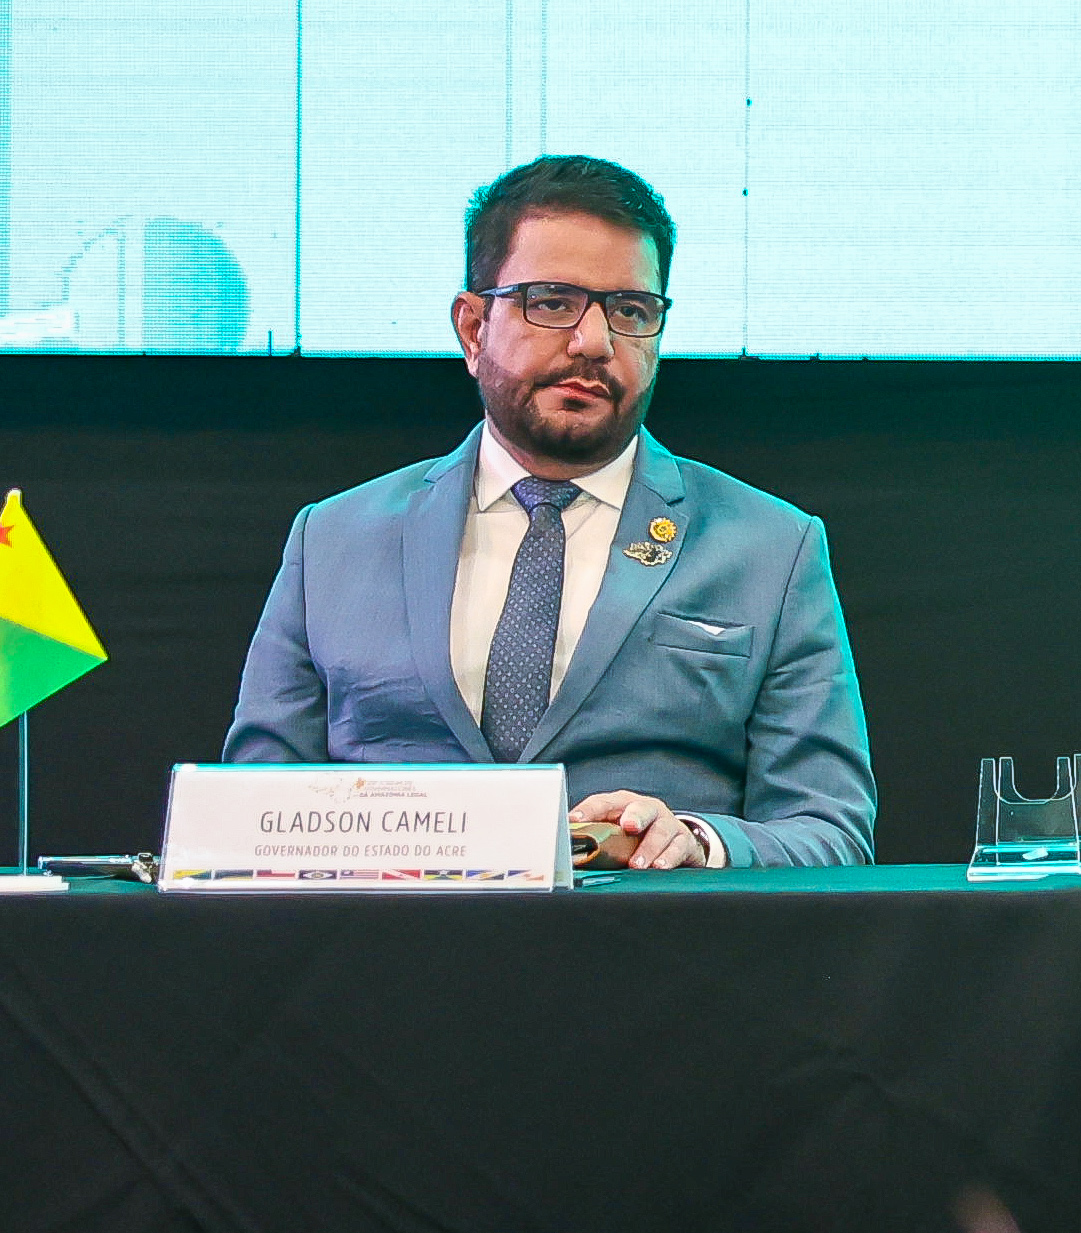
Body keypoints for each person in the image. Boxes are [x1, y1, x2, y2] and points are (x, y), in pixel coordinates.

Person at [226, 156, 874, 867]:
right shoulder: (334, 540)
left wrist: (698, 842)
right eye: (552, 302)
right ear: (473, 329)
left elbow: (830, 831)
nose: (594, 342)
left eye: (631, 311)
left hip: (649, 932)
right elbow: (246, 819)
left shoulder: (770, 549)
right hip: (388, 935)